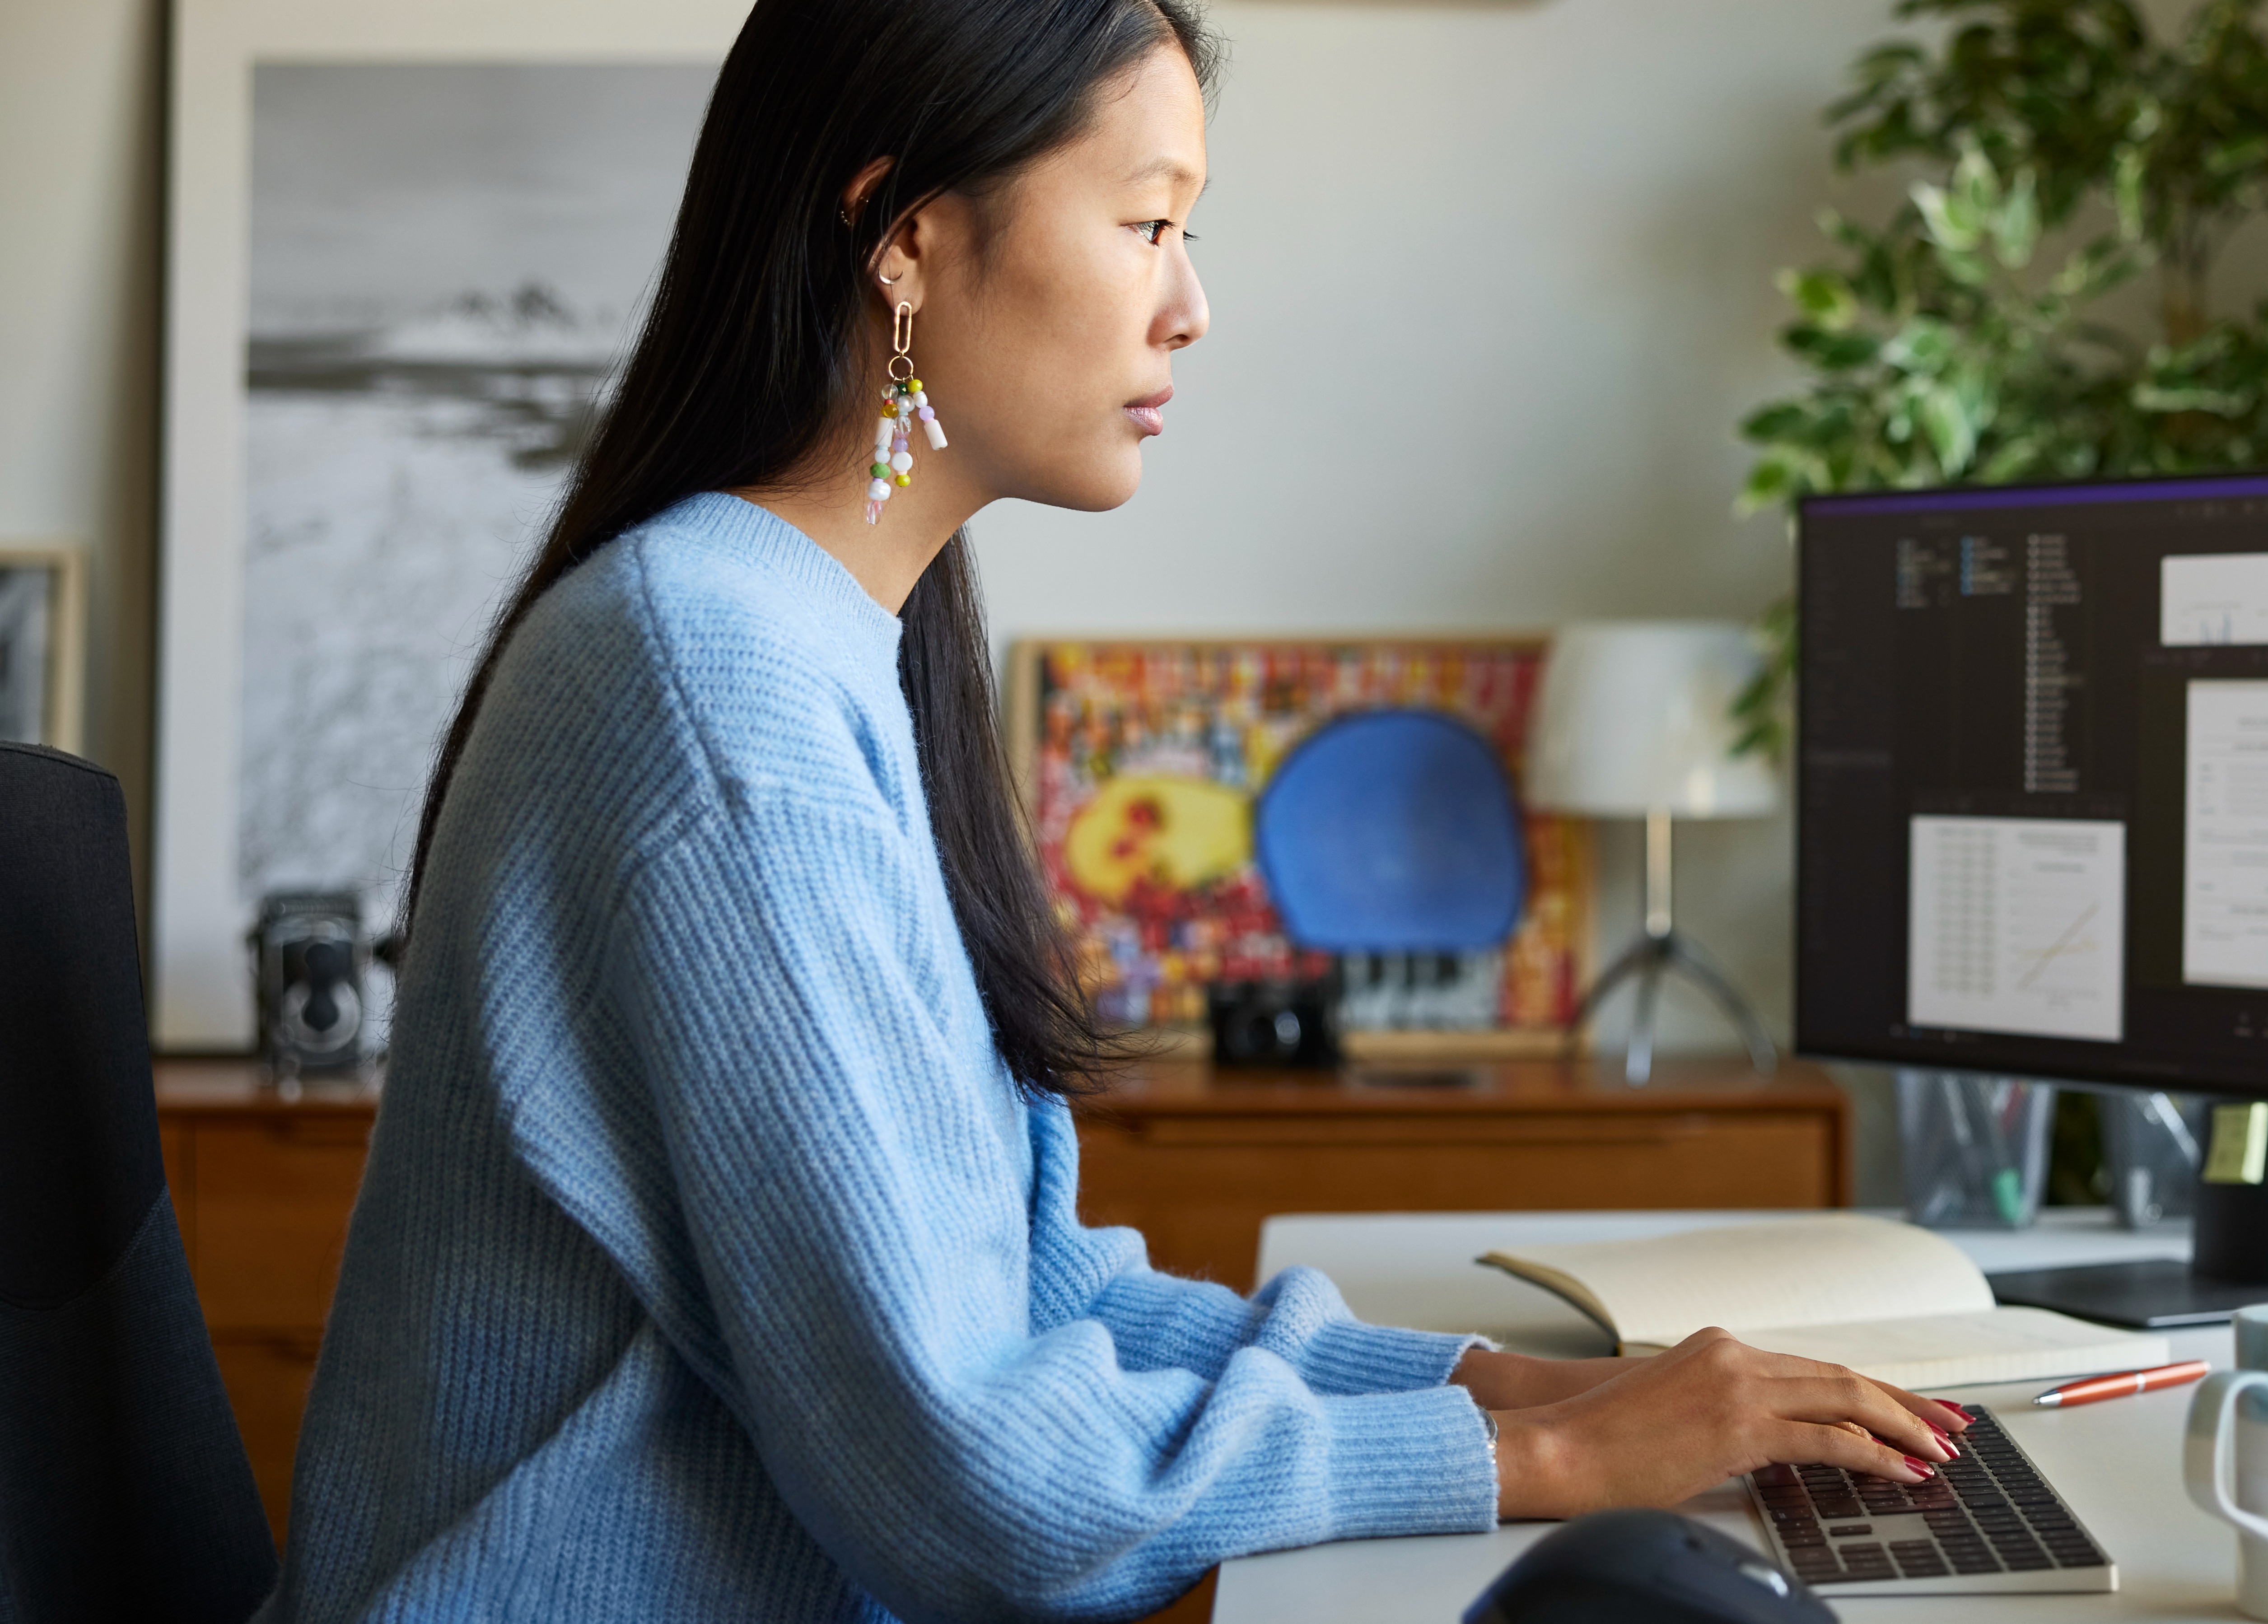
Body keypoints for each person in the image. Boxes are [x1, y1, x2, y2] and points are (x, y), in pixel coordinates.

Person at [260, 2, 1966, 1618]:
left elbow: (1037, 1300)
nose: (1190, 306)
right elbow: (973, 1489)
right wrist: (1549, 1457)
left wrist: (1508, 1378)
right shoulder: (714, 685)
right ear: (905, 235)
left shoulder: (830, 638)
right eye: (1150, 223)